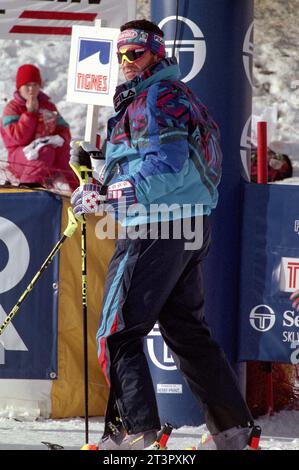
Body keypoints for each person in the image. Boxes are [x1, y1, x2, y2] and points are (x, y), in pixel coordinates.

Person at [70, 19, 260, 450]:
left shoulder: (159, 95)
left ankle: (134, 432)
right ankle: (234, 433)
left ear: (155, 51)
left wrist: (112, 194)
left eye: (134, 53)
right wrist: (96, 176)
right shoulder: (160, 95)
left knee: (117, 332)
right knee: (187, 332)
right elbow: (149, 161)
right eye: (120, 54)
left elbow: (166, 164)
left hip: (156, 226)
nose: (125, 62)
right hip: (187, 224)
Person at [0, 63, 76, 191]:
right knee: (44, 151)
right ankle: (27, 188)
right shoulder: (12, 108)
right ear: (19, 87)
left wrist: (59, 139)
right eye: (27, 85)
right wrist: (30, 113)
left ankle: (78, 192)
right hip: (19, 157)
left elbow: (64, 130)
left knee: (66, 151)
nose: (31, 89)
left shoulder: (48, 106)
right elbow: (18, 139)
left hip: (48, 154)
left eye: (35, 85)